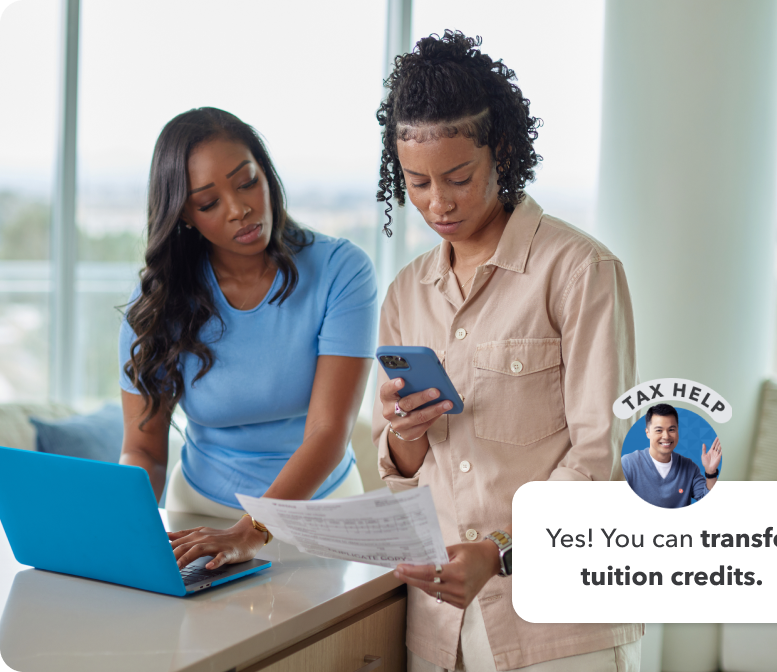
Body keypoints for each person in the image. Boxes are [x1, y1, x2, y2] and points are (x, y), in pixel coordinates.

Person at [372, 31, 642, 672]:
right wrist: (406, 434)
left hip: (560, 629)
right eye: (416, 182)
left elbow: (603, 456)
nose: (438, 202)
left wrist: (500, 549)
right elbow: (404, 474)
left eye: (459, 178)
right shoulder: (406, 293)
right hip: (440, 628)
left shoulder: (579, 271)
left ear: (504, 152)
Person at [119, 108, 377, 571]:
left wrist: (250, 532)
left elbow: (328, 432)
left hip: (321, 512)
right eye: (208, 202)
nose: (239, 208)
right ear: (184, 215)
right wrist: (125, 531)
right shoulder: (159, 302)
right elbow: (143, 449)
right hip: (196, 513)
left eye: (246, 182)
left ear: (267, 175)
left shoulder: (342, 271)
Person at [621, 404, 722, 508]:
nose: (666, 436)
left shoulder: (689, 467)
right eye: (659, 430)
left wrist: (711, 472)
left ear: (678, 431)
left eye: (671, 430)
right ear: (648, 433)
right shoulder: (628, 464)